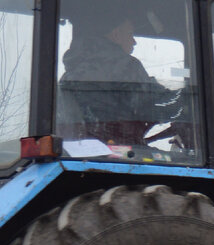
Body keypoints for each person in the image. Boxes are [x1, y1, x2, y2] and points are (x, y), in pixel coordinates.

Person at [57, 12, 183, 146]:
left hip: (79, 149)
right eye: (130, 34)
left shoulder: (69, 75)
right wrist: (186, 100)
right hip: (120, 150)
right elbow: (155, 104)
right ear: (116, 35)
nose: (134, 41)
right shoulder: (126, 65)